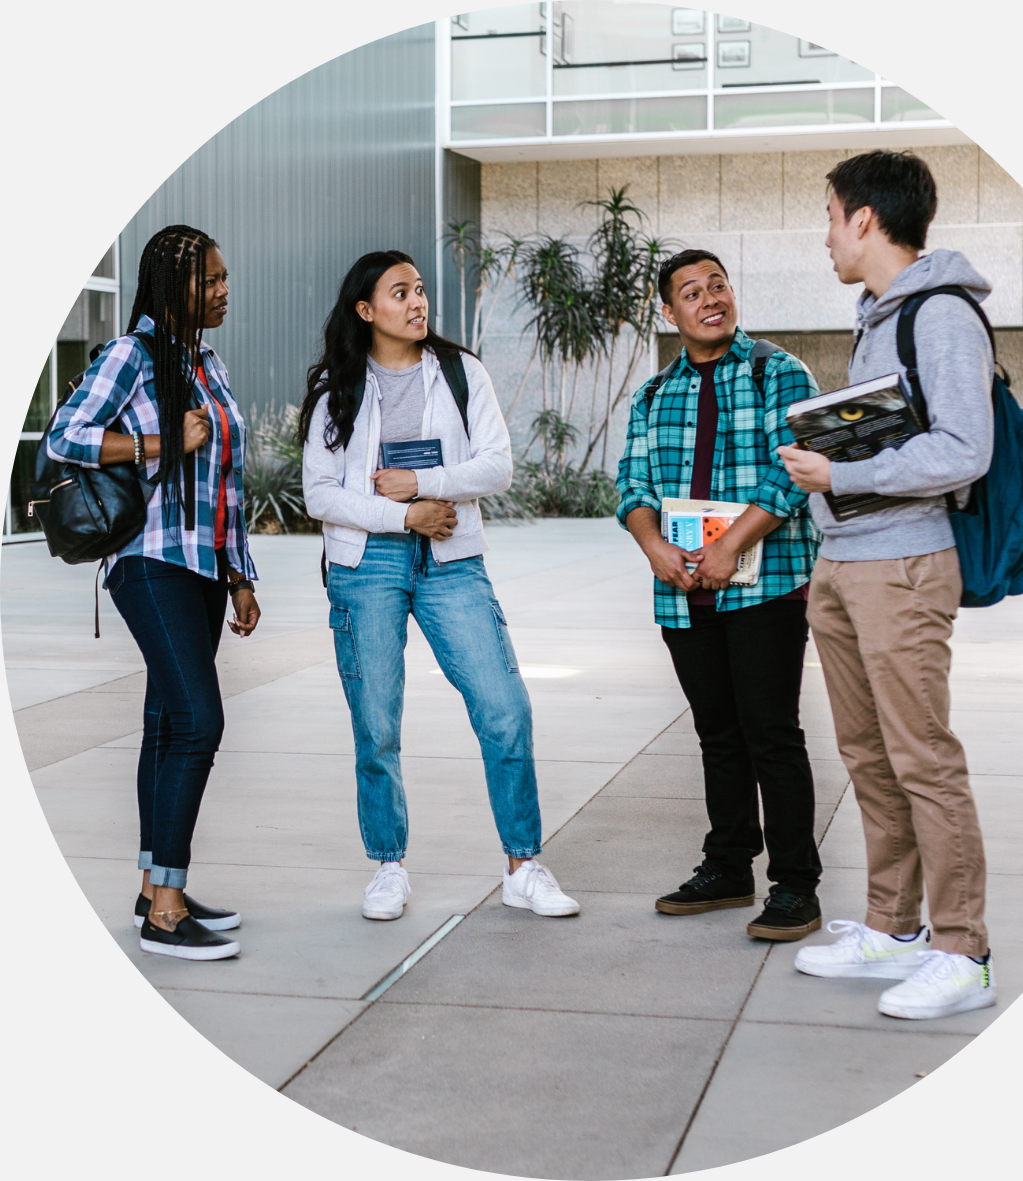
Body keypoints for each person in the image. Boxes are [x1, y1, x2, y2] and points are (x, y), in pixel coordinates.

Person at [780, 150, 997, 1019]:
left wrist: (841, 478)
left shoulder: (940, 314)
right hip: (846, 562)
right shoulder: (878, 314)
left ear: (864, 218)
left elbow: (962, 450)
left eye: (830, 216)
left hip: (902, 563)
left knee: (921, 758)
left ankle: (962, 949)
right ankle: (892, 926)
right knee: (867, 755)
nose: (826, 236)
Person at [299, 250, 579, 921]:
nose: (417, 302)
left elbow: (497, 466)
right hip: (367, 566)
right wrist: (405, 515)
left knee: (503, 707)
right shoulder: (336, 386)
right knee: (377, 723)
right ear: (365, 310)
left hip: (452, 561)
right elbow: (319, 494)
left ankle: (523, 866)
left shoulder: (459, 372)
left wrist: (425, 486)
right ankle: (388, 866)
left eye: (420, 290)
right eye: (400, 293)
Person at [47, 225, 260, 962]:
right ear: (173, 288)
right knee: (199, 722)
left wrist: (239, 575)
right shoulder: (127, 357)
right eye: (211, 281)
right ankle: (164, 913)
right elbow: (63, 436)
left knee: (169, 725)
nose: (224, 290)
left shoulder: (207, 362)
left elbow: (226, 481)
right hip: (149, 561)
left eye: (225, 278)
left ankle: (153, 884)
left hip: (202, 566)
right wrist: (159, 442)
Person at [616, 248, 823, 941]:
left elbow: (792, 473)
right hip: (683, 592)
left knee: (771, 735)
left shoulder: (776, 372)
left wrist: (731, 543)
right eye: (691, 292)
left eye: (718, 285)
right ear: (667, 311)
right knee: (717, 736)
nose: (710, 299)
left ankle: (795, 885)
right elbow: (632, 486)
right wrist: (654, 548)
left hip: (764, 584)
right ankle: (728, 865)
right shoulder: (652, 395)